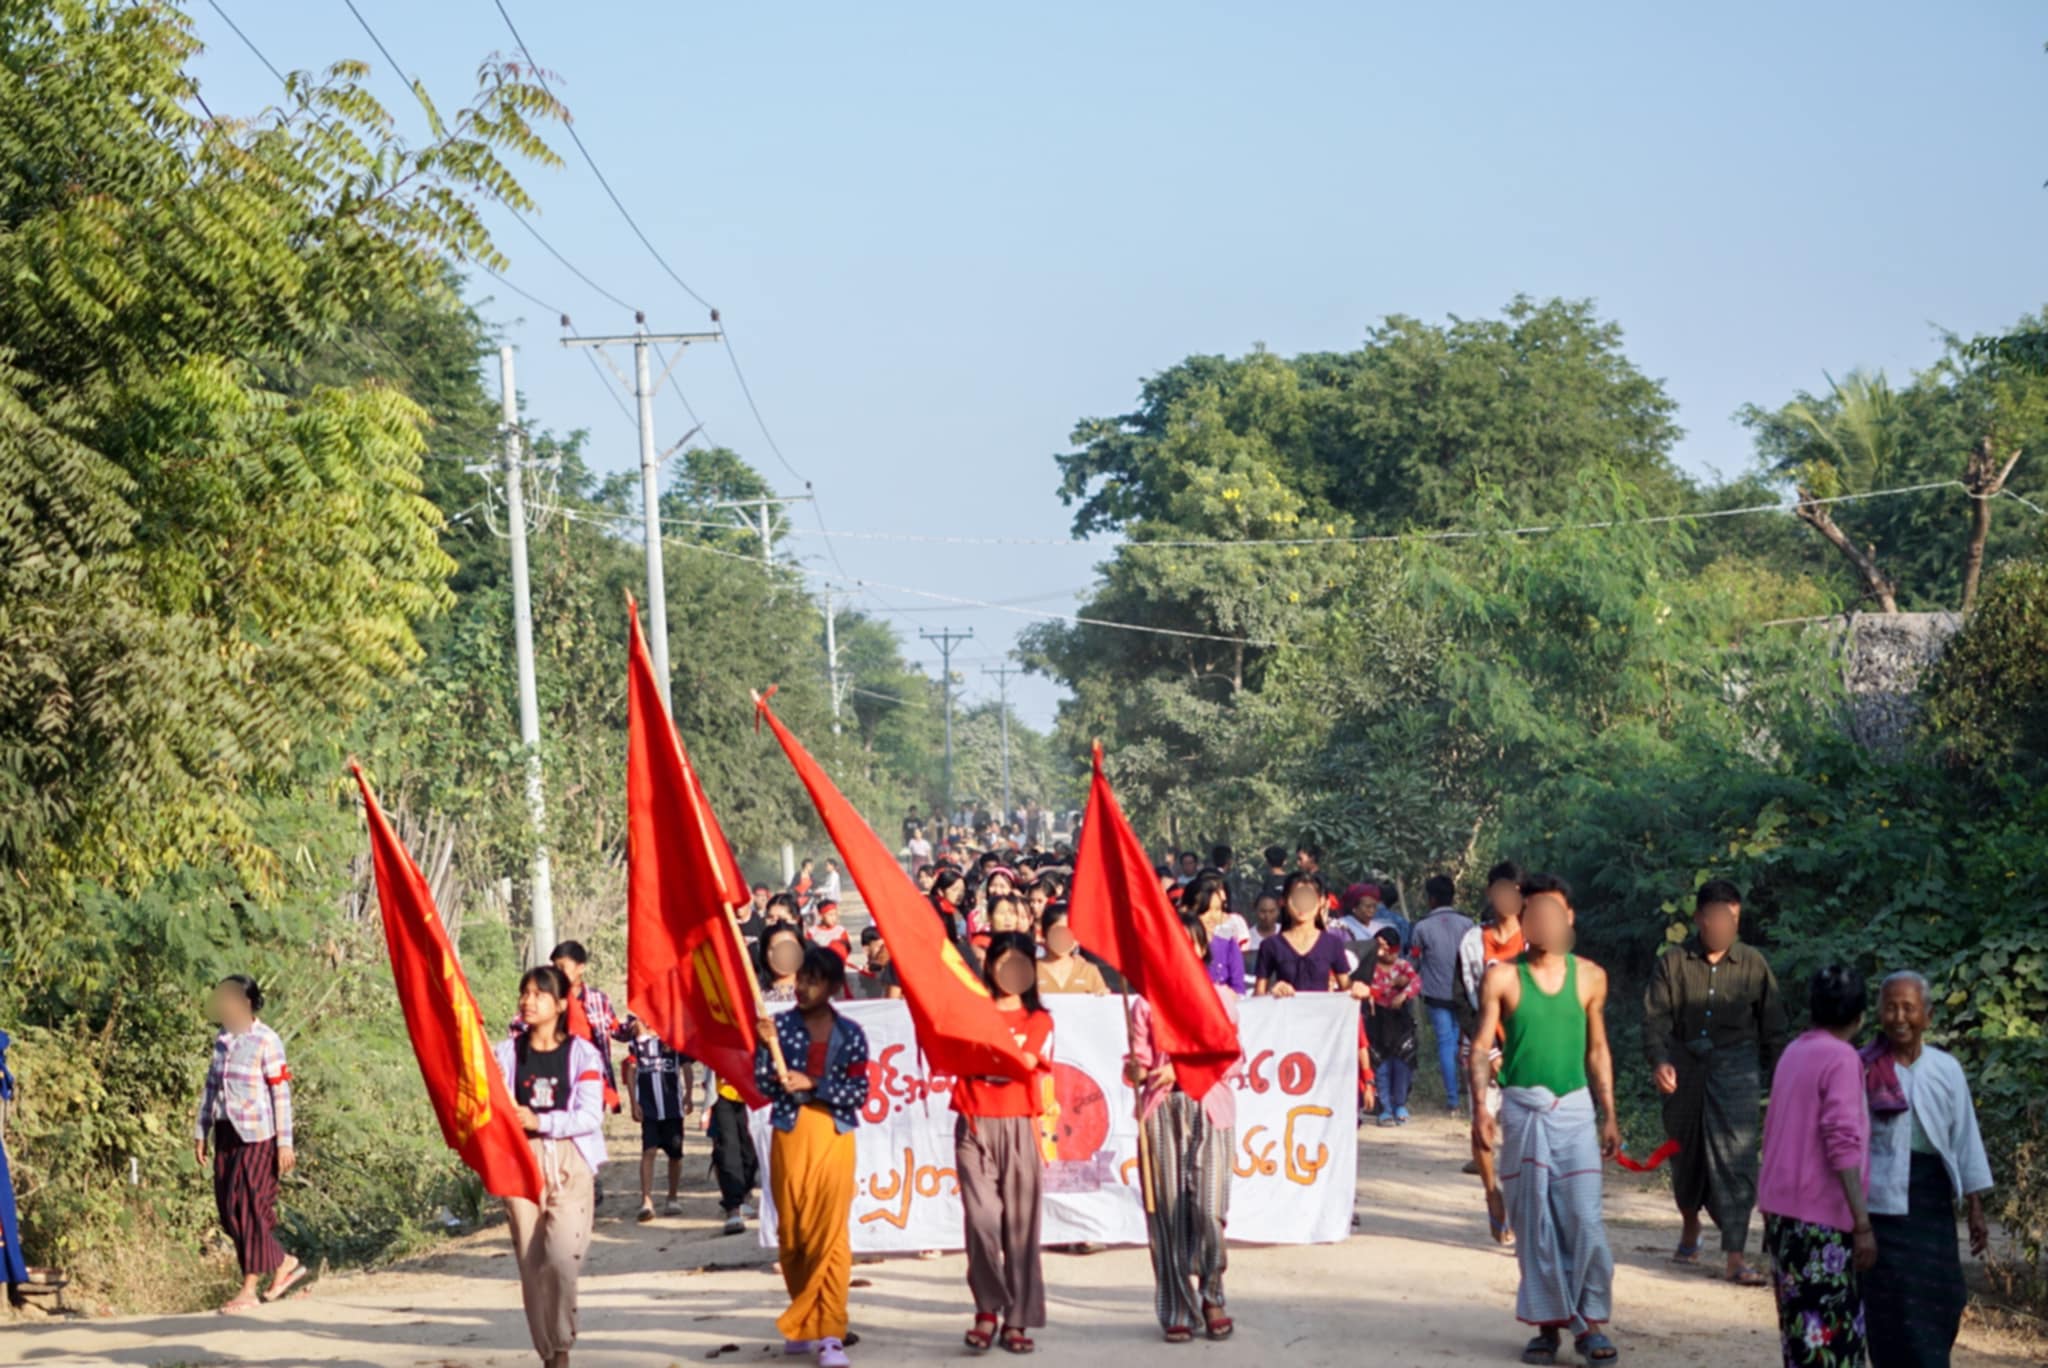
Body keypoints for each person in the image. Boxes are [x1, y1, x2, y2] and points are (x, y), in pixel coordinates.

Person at [1470, 875, 1619, 1366]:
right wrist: (1479, 1110)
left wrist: (1609, 1114)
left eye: (1555, 914)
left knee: (1584, 1220)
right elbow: (1479, 1047)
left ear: (1569, 918)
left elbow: (1597, 1049)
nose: (1545, 923)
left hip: (1575, 1111)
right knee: (1535, 1222)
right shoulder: (1503, 977)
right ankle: (1547, 1326)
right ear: (1525, 920)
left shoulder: (1591, 977)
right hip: (1522, 1110)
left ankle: (1590, 1322)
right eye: (1535, 914)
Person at [1642, 879, 1788, 1285]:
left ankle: (1736, 1255)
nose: (1726, 926)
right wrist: (1660, 1062)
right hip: (1685, 1066)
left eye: (1733, 919)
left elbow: (1774, 1030)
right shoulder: (1673, 962)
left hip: (1736, 1070)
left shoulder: (1754, 965)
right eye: (1718, 917)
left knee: (1736, 1159)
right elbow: (1655, 1020)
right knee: (1684, 1152)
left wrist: (1782, 1084)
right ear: (1700, 918)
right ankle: (1690, 1225)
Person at [1860, 971, 1993, 1368]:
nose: (1899, 1017)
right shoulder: (1865, 1068)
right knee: (1887, 1306)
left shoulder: (1945, 1069)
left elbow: (1965, 1136)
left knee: (1941, 1298)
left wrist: (1975, 1205)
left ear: (1928, 1016)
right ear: (1879, 1014)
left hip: (1931, 1200)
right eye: (1890, 1007)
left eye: (1908, 1008)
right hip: (1880, 1206)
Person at [1127, 909, 1242, 1343]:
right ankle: (1177, 1306)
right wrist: (1137, 1070)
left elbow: (1230, 1057)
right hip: (1161, 1113)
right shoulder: (1144, 1004)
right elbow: (1138, 1059)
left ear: (1200, 948)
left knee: (1209, 1210)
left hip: (1209, 1108)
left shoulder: (1221, 1000)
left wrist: (1180, 1069)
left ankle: (1212, 1295)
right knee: (1167, 1213)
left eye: (1188, 942)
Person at [757, 946, 871, 1368]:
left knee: (830, 1238)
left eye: (814, 980)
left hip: (834, 1135)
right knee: (794, 1233)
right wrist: (767, 1055)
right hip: (789, 1133)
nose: (803, 987)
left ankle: (829, 1333)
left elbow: (859, 1092)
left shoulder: (852, 1033)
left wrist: (814, 1084)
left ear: (834, 987)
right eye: (801, 978)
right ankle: (804, 1320)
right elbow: (761, 1083)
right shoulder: (777, 1029)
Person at [1758, 965, 1876, 1368]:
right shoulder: (1842, 1059)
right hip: (1820, 1222)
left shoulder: (1795, 1051)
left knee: (1801, 1339)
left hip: (1783, 1217)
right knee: (1832, 1346)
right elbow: (1842, 1142)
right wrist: (1861, 1223)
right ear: (1860, 1016)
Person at [494, 965, 606, 1368]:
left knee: (561, 1257)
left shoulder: (582, 1054)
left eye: (540, 994)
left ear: (561, 1004)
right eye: (524, 993)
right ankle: (550, 1355)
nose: (529, 1001)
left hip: (569, 1162)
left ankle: (562, 1344)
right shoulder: (505, 1054)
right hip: (521, 1166)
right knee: (532, 1262)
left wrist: (541, 1121)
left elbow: (591, 1114)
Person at [953, 932, 1053, 1354]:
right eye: (1002, 962)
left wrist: (988, 1055)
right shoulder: (969, 1010)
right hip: (973, 1122)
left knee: (1020, 1228)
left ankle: (1017, 1319)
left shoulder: (1039, 1020)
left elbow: (1024, 1062)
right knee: (981, 1221)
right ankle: (987, 1309)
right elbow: (960, 1053)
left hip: (1017, 1122)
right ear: (989, 965)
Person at [194, 974, 304, 1312]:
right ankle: (283, 1261)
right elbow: (211, 1088)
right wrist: (202, 1130)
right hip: (227, 1133)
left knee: (252, 1208)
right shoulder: (223, 1040)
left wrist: (285, 1143)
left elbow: (280, 1092)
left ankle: (248, 1289)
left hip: (259, 1135)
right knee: (229, 1211)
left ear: (245, 1003)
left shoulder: (267, 1041)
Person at [1457, 861, 1529, 1189]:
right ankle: (1492, 1194)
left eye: (1513, 892)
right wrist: (1491, 1050)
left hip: (1527, 1048)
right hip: (1482, 1046)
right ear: (1490, 893)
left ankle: (1519, 1194)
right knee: (1482, 1121)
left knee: (1523, 1129)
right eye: (1499, 891)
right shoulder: (1473, 940)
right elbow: (1463, 998)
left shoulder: (1534, 939)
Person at [1411, 875, 1477, 1115]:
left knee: (1446, 1044)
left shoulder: (1422, 927)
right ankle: (1470, 1093)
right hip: (1466, 995)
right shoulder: (1468, 925)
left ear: (1431, 899)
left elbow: (1415, 960)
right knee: (1465, 1043)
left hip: (1437, 995)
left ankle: (1453, 1101)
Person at [622, 1019, 691, 1222]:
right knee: (648, 1150)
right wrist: (634, 1102)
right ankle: (646, 1200)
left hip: (672, 1107)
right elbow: (632, 1071)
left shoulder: (675, 1040)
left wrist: (687, 1094)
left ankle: (672, 1196)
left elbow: (686, 1067)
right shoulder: (637, 1043)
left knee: (675, 1153)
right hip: (649, 1107)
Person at [1350, 928, 1420, 1125]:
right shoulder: (1367, 967)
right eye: (1379, 947)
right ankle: (1385, 1108)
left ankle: (1400, 1104)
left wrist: (1404, 993)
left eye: (1389, 948)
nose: (1384, 952)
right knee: (1380, 1065)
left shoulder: (1403, 966)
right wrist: (1379, 991)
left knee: (1402, 1064)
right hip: (1376, 1019)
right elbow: (1359, 986)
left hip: (1399, 1020)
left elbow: (1416, 982)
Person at [1253, 872, 1348, 996]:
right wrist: (1273, 991)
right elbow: (1258, 995)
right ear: (1284, 901)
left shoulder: (1333, 944)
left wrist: (1358, 989)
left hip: (1322, 1014)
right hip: (1285, 1013)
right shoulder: (1270, 945)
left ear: (1321, 901)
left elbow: (1347, 989)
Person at [1185, 872, 1247, 994]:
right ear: (1189, 910)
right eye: (1206, 910)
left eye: (1217, 909)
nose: (1212, 916)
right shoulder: (1180, 946)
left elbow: (1239, 989)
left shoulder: (1228, 945)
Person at [1036, 907, 1109, 995]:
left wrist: (1103, 997)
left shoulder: (1089, 971)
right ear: (1044, 935)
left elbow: (1101, 1005)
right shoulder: (1031, 972)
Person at [851, 927, 898, 1000]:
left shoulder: (893, 972)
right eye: (880, 947)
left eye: (886, 946)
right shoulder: (855, 979)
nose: (883, 951)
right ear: (866, 950)